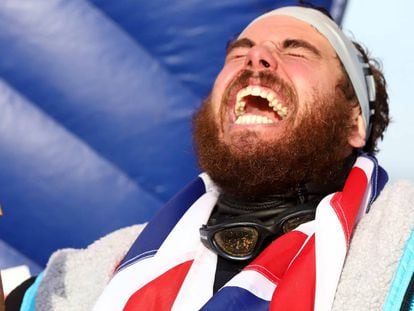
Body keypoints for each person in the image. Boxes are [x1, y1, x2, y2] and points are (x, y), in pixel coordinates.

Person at [7, 5, 414, 311]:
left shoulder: (402, 243)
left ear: (354, 121)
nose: (257, 58)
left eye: (297, 51)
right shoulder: (91, 274)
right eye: (239, 53)